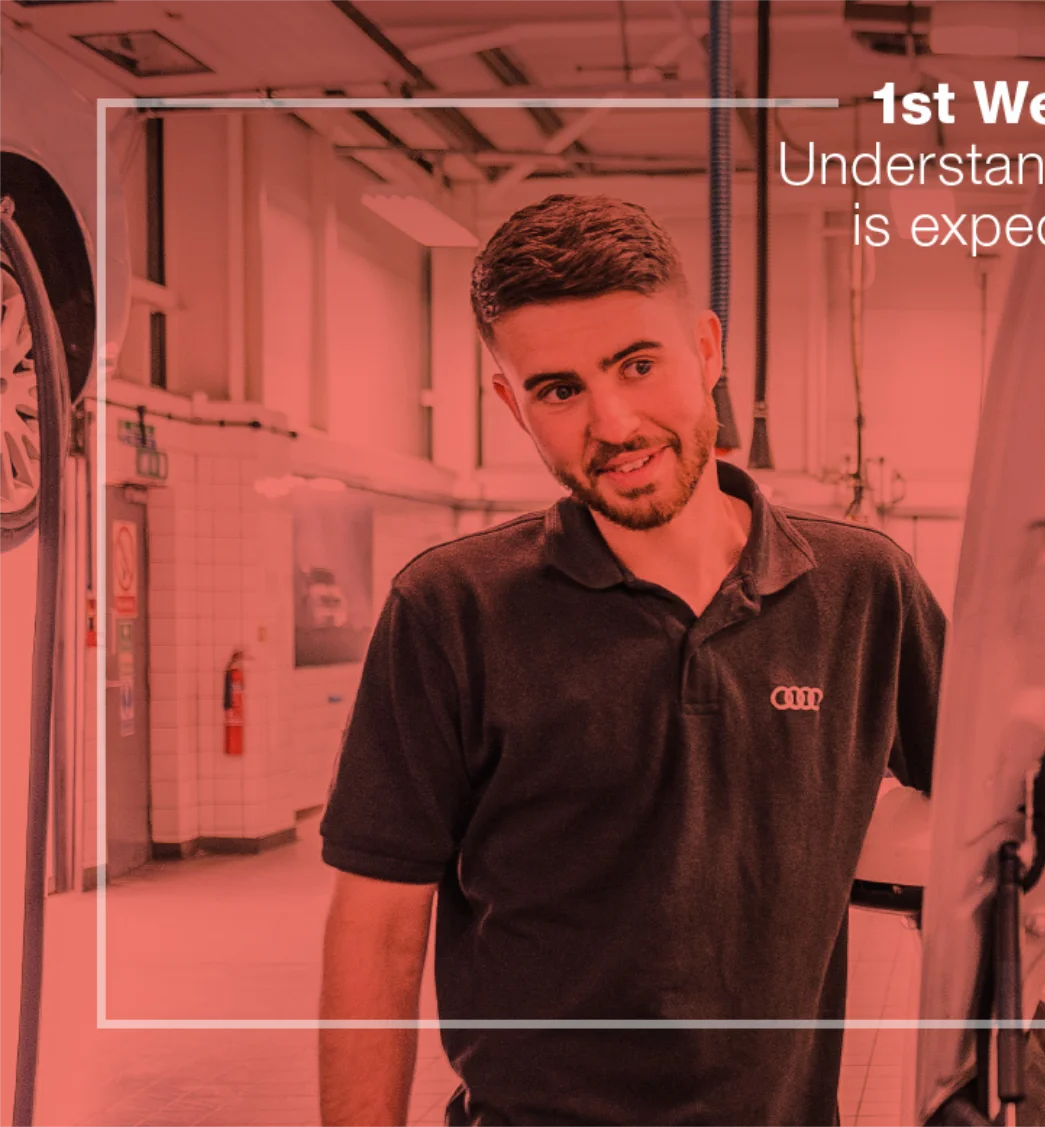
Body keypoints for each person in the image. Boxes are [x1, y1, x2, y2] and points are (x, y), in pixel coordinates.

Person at [316, 193, 946, 1126]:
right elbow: (378, 924)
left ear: (707, 348)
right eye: (559, 389)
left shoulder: (864, 590)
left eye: (638, 364)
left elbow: (1008, 816)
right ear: (510, 401)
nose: (612, 424)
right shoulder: (451, 609)